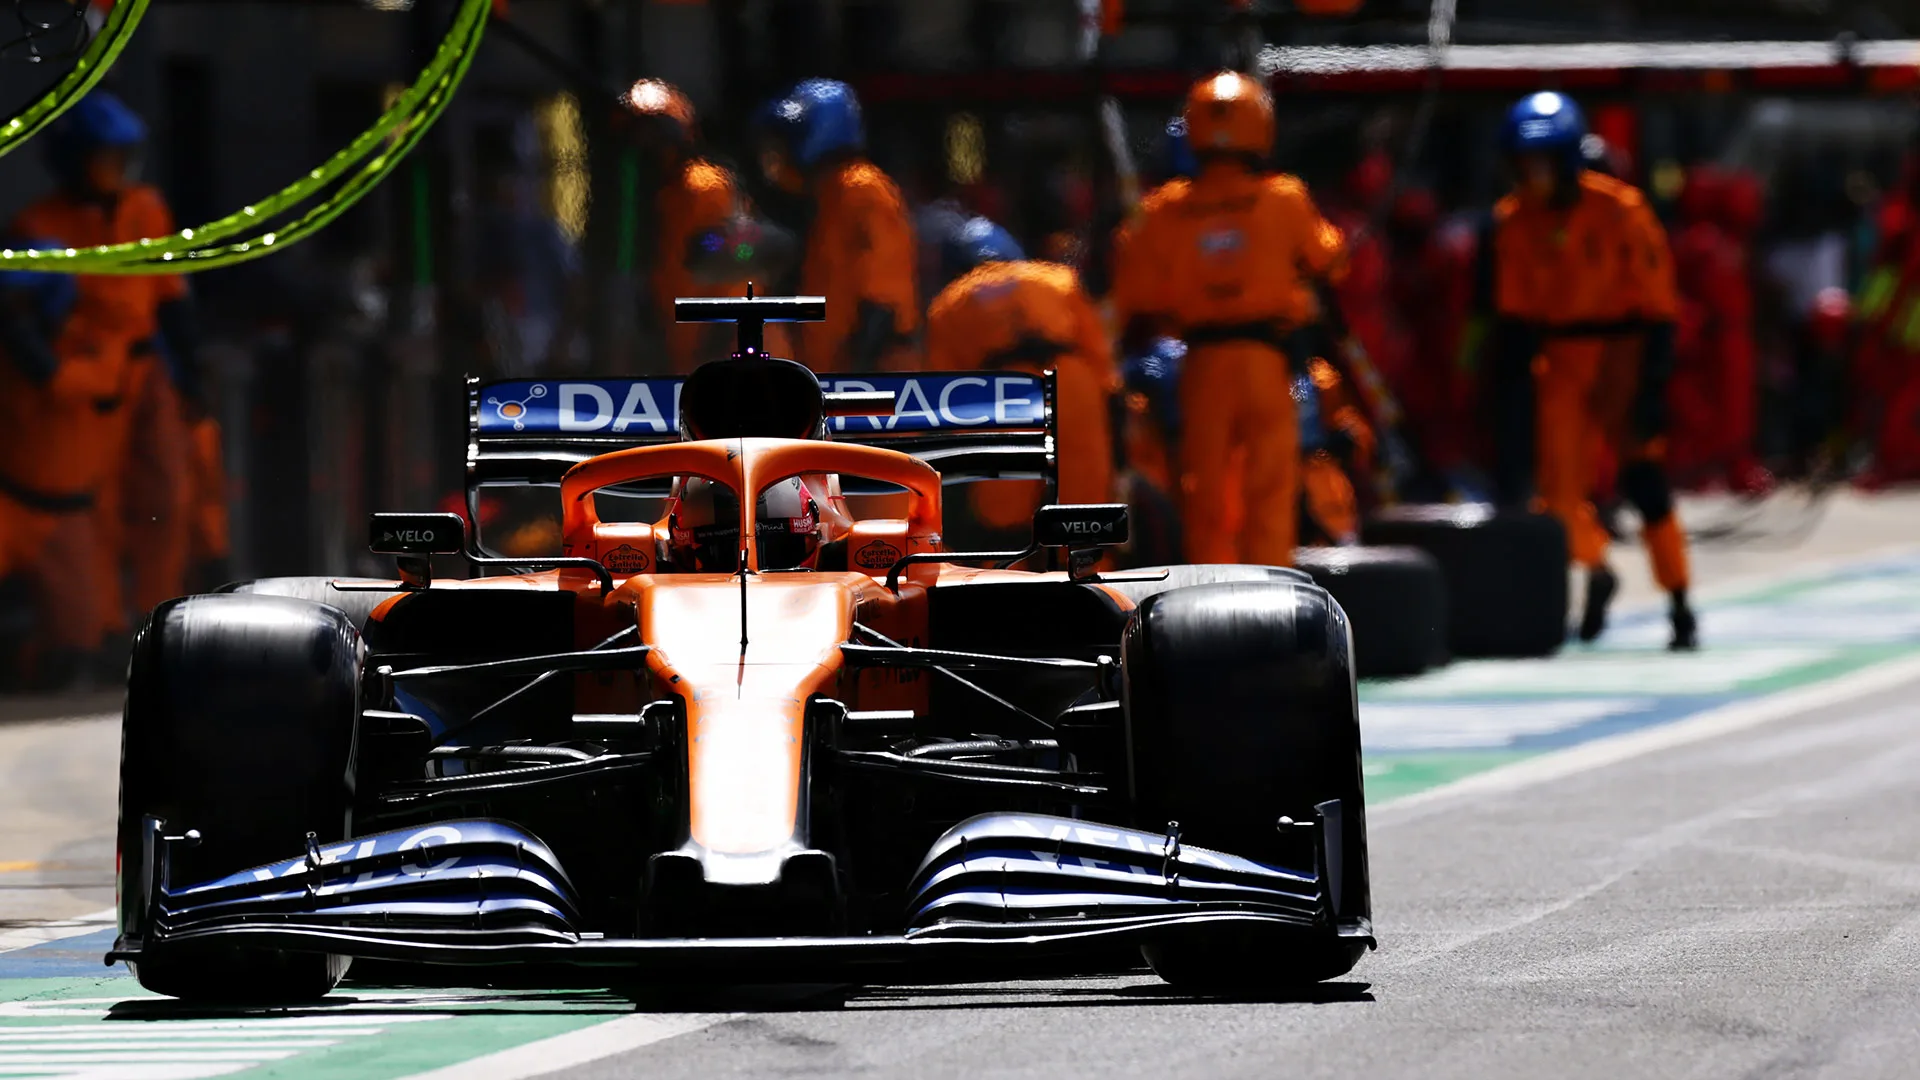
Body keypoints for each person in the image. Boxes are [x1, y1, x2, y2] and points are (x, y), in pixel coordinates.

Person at [1110, 71, 1346, 567]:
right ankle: (1273, 591)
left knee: (1205, 491)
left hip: (1202, 364)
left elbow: (1135, 291)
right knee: (1270, 486)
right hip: (1265, 361)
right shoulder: (1283, 197)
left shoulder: (1165, 210)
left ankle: (1210, 596)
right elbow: (1330, 259)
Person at [1490, 91, 1696, 649]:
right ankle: (1598, 566)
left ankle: (1679, 599)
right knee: (1556, 495)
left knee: (1643, 480)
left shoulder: (1620, 211)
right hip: (1558, 358)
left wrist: (1651, 386)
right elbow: (1513, 315)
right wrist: (1506, 392)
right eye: (1524, 164)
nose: (1533, 177)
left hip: (1622, 353)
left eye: (1544, 163)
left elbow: (1660, 308)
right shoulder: (1512, 223)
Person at [11, 91, 203, 650]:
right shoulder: (39, 225)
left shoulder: (146, 208)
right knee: (96, 506)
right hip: (86, 384)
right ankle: (107, 629)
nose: (120, 170)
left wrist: (190, 370)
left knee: (167, 496)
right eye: (107, 157)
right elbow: (20, 315)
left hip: (147, 369)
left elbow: (171, 295)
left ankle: (159, 615)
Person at [924, 217, 1117, 525]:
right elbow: (1098, 353)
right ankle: (1087, 568)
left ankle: (1009, 569)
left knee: (1004, 514)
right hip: (1070, 380)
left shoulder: (949, 302)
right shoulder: (1056, 278)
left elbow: (947, 387)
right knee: (1083, 507)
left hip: (1003, 392)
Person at [622, 79, 795, 374]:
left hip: (735, 356)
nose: (644, 143)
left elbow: (736, 270)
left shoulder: (703, 187)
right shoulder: (670, 193)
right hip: (695, 359)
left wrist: (713, 351)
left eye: (652, 132)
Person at [758, 79, 919, 373]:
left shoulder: (863, 189)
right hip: (835, 375)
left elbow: (883, 297)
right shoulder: (829, 198)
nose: (776, 154)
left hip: (874, 377)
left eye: (786, 140)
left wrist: (856, 374)